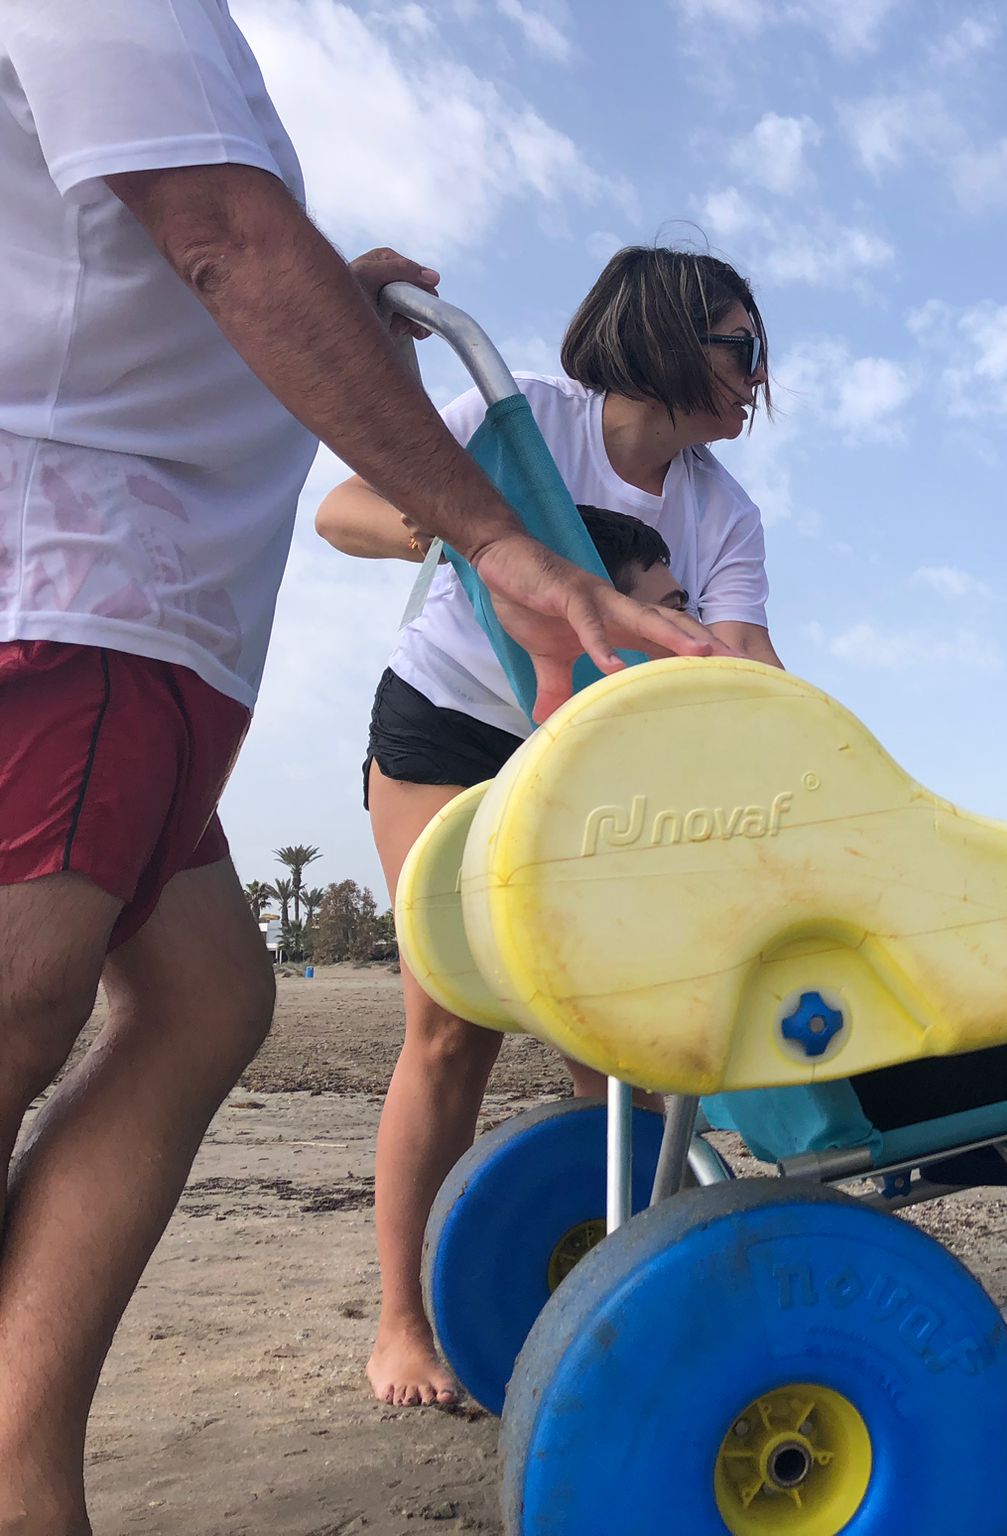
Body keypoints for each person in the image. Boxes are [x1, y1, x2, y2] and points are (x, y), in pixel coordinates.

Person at [0, 6, 710, 1529]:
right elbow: (219, 238)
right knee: (24, 1017)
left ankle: (20, 1466)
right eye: (733, 347)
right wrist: (492, 531)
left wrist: (329, 285)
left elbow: (194, 242)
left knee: (206, 1001)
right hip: (76, 581)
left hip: (165, 617)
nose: (750, 373)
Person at [316, 247, 780, 1407]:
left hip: (592, 761)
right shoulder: (523, 421)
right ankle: (400, 1325)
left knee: (607, 1043)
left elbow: (750, 663)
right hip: (449, 723)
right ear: (666, 337)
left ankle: (621, 1297)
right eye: (740, 347)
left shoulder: (723, 512)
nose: (758, 377)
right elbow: (341, 507)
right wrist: (458, 541)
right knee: (449, 1025)